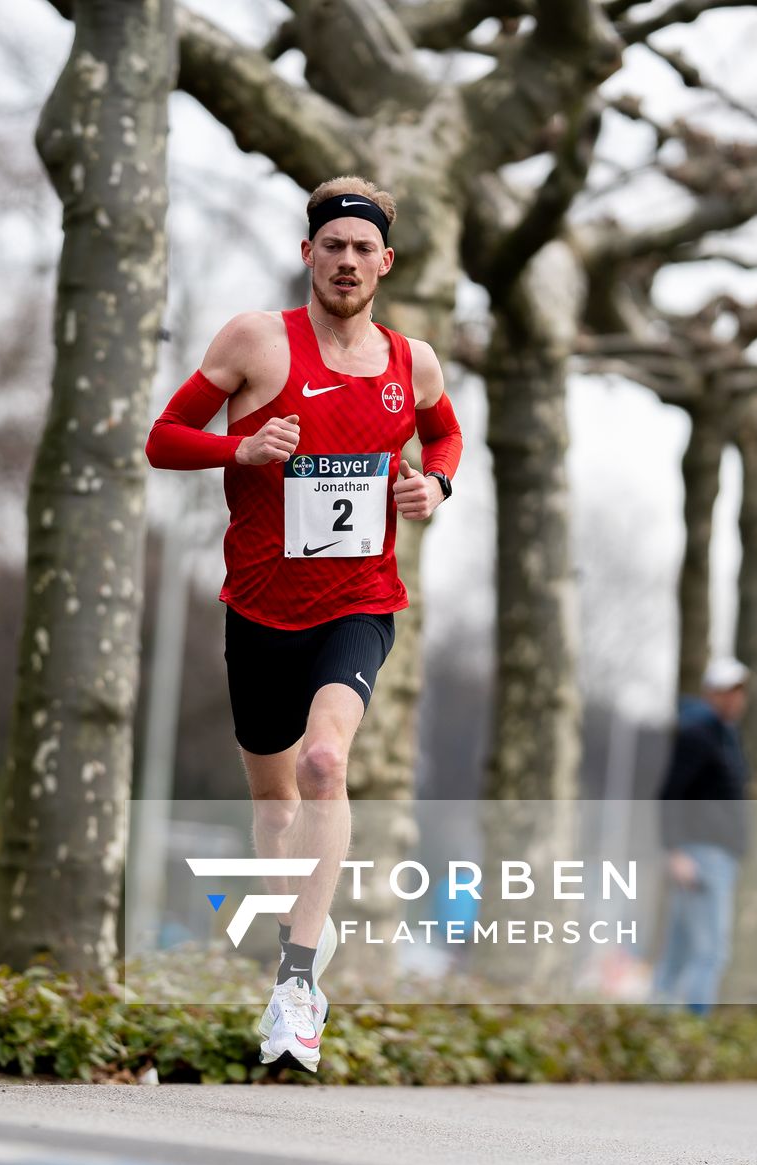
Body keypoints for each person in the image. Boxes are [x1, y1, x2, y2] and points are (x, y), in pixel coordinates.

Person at [144, 176, 462, 1070]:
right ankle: (301, 936)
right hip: (258, 610)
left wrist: (433, 484)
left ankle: (296, 983)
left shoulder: (413, 363)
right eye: (334, 247)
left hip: (359, 604)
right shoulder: (257, 341)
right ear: (309, 256)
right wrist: (237, 447)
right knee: (274, 805)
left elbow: (444, 439)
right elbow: (163, 438)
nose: (349, 261)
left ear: (385, 264)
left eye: (364, 249)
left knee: (327, 762)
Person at [651, 656, 751, 1013]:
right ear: (712, 693)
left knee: (679, 949)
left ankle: (656, 1019)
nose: (736, 699)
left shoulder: (728, 738)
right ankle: (696, 1029)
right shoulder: (698, 736)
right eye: (729, 691)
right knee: (711, 952)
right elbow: (670, 794)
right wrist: (675, 851)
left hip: (718, 854)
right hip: (701, 855)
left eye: (740, 691)